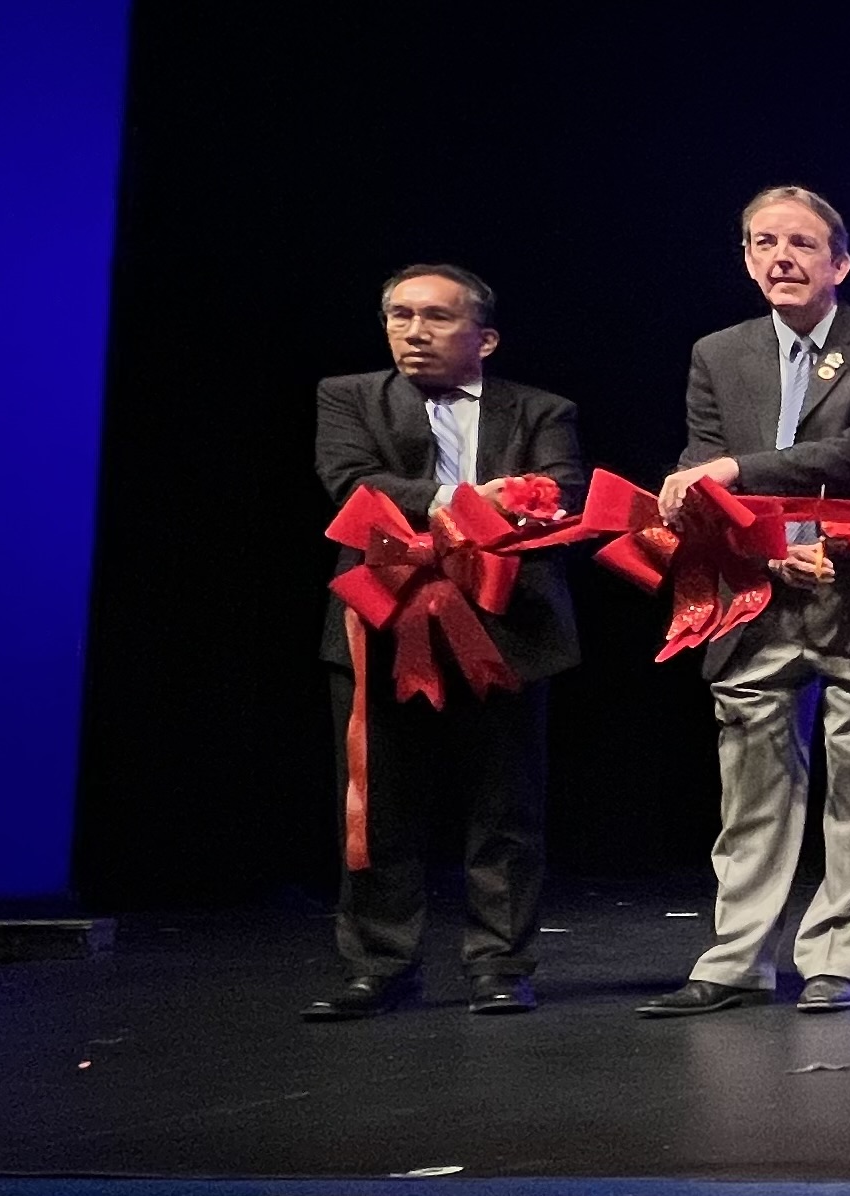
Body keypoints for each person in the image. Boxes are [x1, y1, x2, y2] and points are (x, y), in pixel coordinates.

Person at [641, 186, 850, 1018]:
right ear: (745, 259)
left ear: (839, 262)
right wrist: (768, 551)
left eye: (802, 244)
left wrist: (740, 471)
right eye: (764, 242)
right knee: (750, 790)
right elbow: (699, 467)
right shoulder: (718, 352)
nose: (782, 257)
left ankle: (836, 959)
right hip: (755, 594)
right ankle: (735, 959)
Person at [305, 264, 584, 1020]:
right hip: (383, 620)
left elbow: (563, 493)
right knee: (378, 805)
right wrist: (460, 502)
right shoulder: (348, 396)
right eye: (399, 316)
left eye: (435, 317)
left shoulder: (542, 410)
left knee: (505, 808)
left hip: (507, 625)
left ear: (483, 338)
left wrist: (514, 507)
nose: (414, 332)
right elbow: (352, 486)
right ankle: (379, 966)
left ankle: (500, 964)